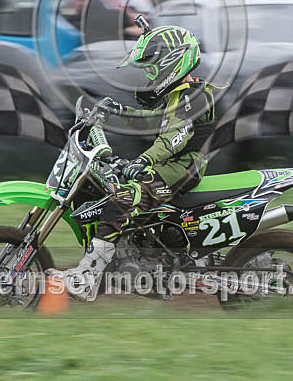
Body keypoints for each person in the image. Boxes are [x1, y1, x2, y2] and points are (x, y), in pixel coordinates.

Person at [48, 23, 216, 300]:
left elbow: (176, 136)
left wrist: (143, 161)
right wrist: (117, 112)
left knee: (124, 199)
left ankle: (88, 278)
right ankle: (132, 258)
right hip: (168, 164)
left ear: (173, 61)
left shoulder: (194, 95)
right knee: (108, 184)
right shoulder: (175, 95)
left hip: (182, 167)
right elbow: (152, 121)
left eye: (152, 66)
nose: (149, 73)